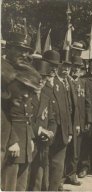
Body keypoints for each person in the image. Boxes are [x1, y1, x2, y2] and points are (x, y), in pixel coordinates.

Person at [1, 64, 42, 191]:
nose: (26, 96)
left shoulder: (19, 100)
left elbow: (27, 119)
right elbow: (8, 120)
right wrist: (13, 141)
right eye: (22, 87)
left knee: (20, 186)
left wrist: (30, 137)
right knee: (9, 185)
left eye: (30, 92)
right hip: (12, 146)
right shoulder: (5, 104)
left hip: (23, 144)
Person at [49, 55, 78, 191]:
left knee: (59, 162)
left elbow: (69, 109)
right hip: (53, 129)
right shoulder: (51, 82)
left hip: (65, 130)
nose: (66, 69)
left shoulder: (67, 82)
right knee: (49, 161)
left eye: (68, 67)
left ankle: (56, 186)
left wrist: (70, 130)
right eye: (63, 66)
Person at [28, 58, 57, 191]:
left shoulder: (47, 96)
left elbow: (52, 119)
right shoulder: (26, 95)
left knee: (39, 180)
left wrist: (50, 132)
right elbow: (24, 120)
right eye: (38, 77)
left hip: (43, 144)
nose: (41, 81)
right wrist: (40, 130)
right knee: (26, 177)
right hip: (29, 141)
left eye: (44, 78)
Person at [64, 56, 86, 186]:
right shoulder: (66, 81)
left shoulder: (82, 83)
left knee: (75, 150)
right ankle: (62, 175)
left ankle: (72, 174)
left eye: (78, 68)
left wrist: (86, 121)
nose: (76, 70)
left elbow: (86, 103)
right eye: (74, 67)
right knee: (64, 148)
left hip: (79, 121)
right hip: (67, 120)